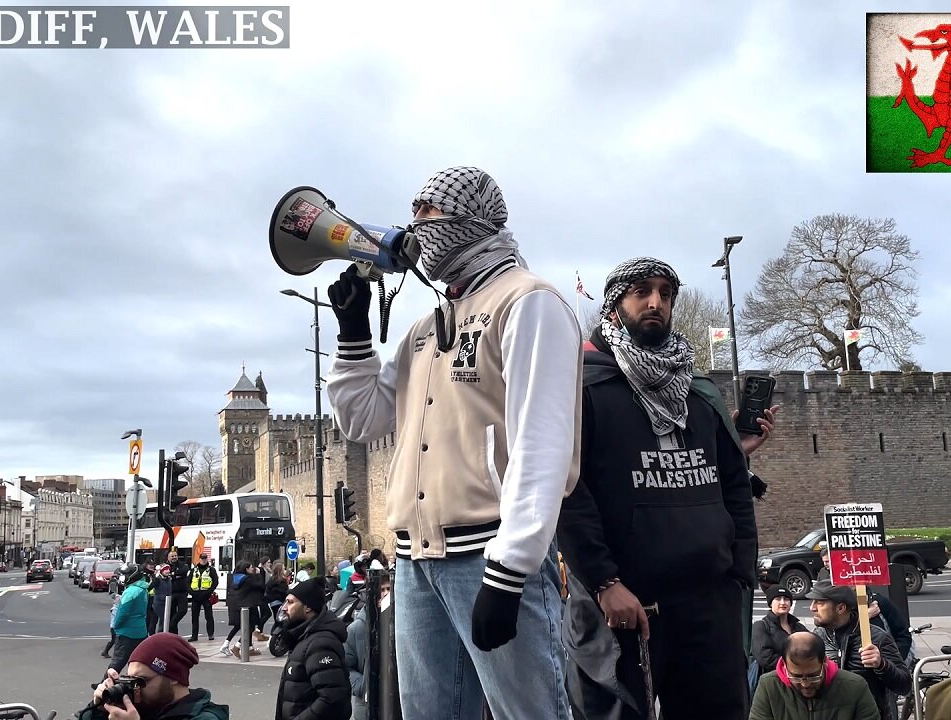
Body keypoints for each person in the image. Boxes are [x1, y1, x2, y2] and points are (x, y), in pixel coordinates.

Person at [326, 166, 582, 719]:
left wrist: (510, 568)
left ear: (472, 218)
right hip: (415, 557)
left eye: (428, 211)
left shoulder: (528, 301)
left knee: (529, 712)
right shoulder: (426, 327)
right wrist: (352, 336)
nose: (415, 225)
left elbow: (542, 444)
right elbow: (363, 421)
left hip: (488, 553)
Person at [557, 257, 760, 719]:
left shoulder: (699, 394)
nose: (656, 303)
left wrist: (738, 573)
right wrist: (604, 583)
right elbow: (568, 491)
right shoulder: (583, 386)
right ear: (613, 306)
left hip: (709, 604)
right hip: (625, 607)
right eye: (642, 292)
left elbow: (733, 487)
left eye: (666, 294)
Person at [806, 580, 910, 720]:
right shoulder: (817, 636)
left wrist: (881, 665)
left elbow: (904, 685)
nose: (812, 608)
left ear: (841, 608)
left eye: (820, 602)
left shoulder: (876, 637)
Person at [82, 633, 228, 720]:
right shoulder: (137, 709)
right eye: (129, 679)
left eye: (141, 680)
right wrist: (100, 709)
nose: (134, 688)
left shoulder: (204, 717)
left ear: (173, 677)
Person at [750, 631, 880, 720]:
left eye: (813, 676)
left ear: (824, 661)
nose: (805, 684)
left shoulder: (855, 686)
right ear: (784, 665)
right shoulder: (769, 685)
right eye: (796, 676)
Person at [272, 577, 352, 720]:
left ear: (308, 607)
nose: (284, 607)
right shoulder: (304, 637)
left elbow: (332, 697)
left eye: (290, 602)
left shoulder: (320, 643)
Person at [344, 572, 392, 720]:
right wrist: (362, 686)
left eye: (388, 589)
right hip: (365, 702)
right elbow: (346, 666)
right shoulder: (356, 628)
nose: (385, 594)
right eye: (382, 590)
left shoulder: (398, 624)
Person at [753, 587, 810, 675]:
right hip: (774, 678)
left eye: (786, 599)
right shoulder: (761, 626)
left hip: (800, 678)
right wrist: (796, 665)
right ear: (770, 603)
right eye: (778, 599)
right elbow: (765, 658)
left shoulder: (798, 627)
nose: (783, 602)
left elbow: (811, 648)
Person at [109, 562, 153, 675]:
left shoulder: (130, 592)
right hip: (141, 630)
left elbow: (122, 613)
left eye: (125, 574)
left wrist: (116, 626)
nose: (123, 577)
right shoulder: (143, 589)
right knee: (138, 662)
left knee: (117, 663)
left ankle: (104, 685)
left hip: (126, 632)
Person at [219, 562, 264, 657]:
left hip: (237, 605)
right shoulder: (248, 579)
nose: (253, 569)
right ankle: (237, 646)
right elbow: (260, 585)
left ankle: (248, 647)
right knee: (250, 627)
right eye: (251, 567)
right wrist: (259, 574)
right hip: (248, 605)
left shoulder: (235, 577)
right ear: (246, 569)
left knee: (241, 626)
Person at [188, 555, 218, 643]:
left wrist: (209, 592)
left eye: (205, 559)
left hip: (206, 596)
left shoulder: (211, 570)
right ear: (199, 559)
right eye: (202, 559)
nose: (203, 560)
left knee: (208, 616)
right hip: (195, 596)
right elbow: (188, 581)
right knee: (194, 617)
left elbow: (215, 582)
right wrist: (191, 592)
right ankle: (194, 635)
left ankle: (210, 634)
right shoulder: (194, 570)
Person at [262, 564, 290, 637]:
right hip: (279, 602)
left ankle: (274, 636)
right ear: (280, 570)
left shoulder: (272, 580)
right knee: (281, 621)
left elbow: (268, 590)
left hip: (273, 602)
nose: (285, 570)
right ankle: (275, 637)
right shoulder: (281, 580)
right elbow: (284, 592)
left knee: (277, 620)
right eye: (284, 569)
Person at [166, 551, 190, 635]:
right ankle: (173, 635)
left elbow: (184, 570)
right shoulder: (166, 566)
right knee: (171, 614)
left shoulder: (182, 564)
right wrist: (177, 576)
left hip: (182, 593)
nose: (174, 557)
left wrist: (173, 574)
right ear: (168, 557)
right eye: (172, 556)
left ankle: (173, 623)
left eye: (175, 555)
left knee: (183, 610)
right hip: (170, 593)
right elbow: (164, 574)